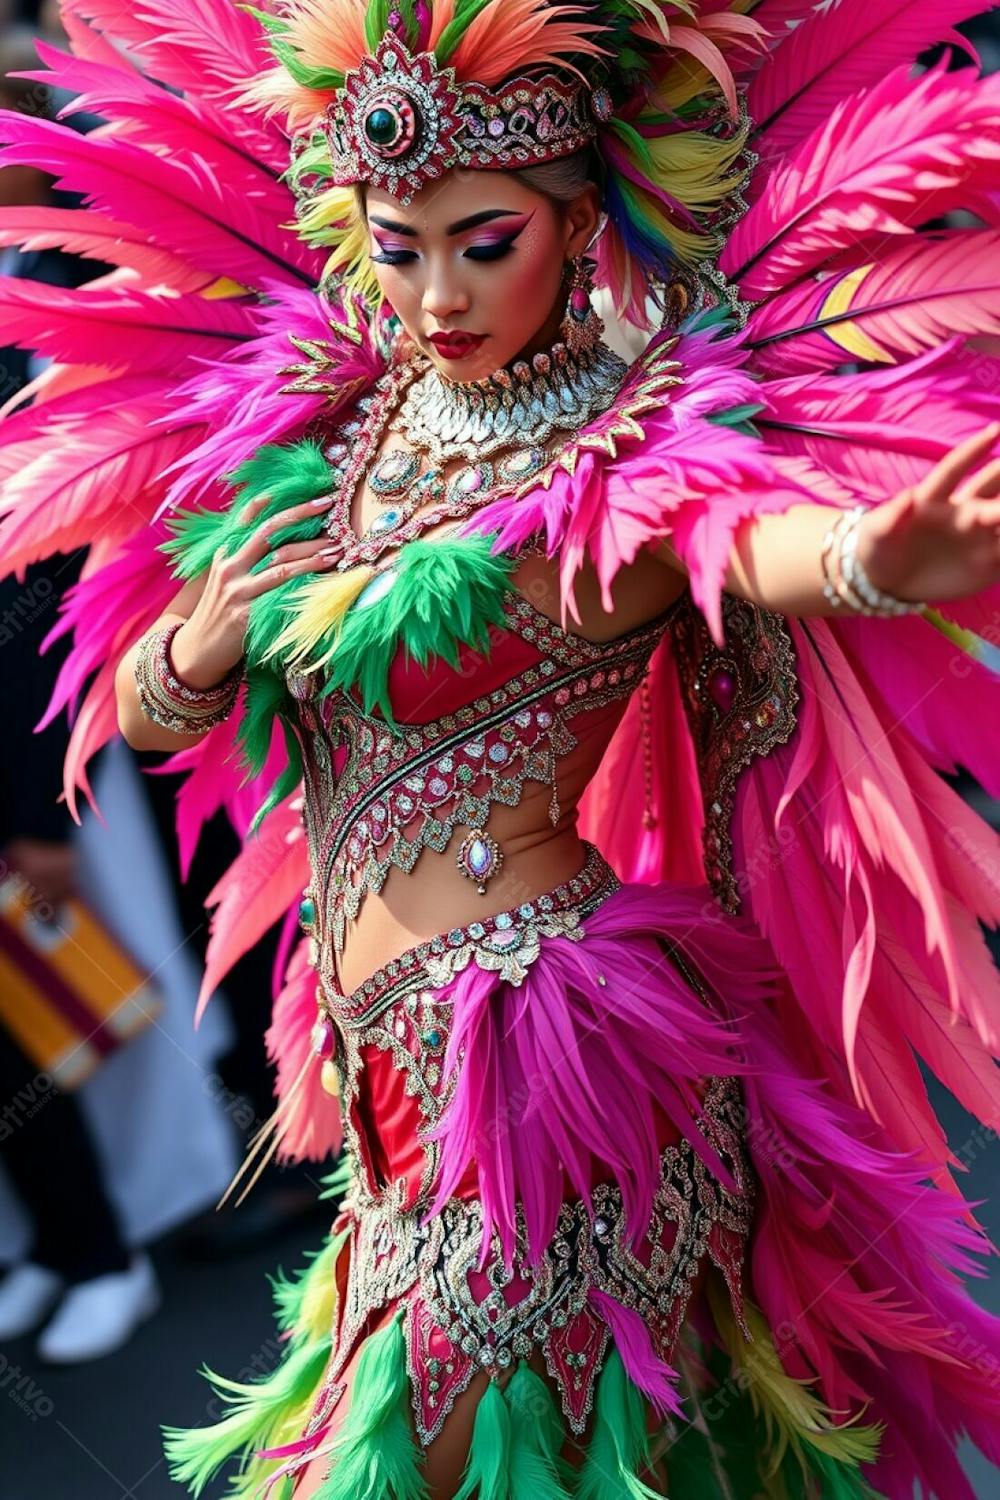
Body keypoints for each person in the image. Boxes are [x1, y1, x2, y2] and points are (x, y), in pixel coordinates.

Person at [3, 1, 1000, 1494]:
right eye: (399, 246)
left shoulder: (618, 449)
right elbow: (149, 716)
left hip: (546, 1052)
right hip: (383, 1071)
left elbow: (741, 544)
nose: (438, 293)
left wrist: (875, 554)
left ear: (580, 216)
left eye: (485, 241)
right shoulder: (331, 427)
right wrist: (209, 630)